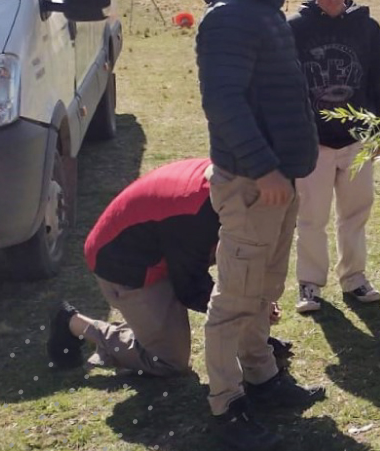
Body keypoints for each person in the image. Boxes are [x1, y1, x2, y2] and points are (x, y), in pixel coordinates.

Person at [195, 0, 326, 451]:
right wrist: (264, 168)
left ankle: (262, 377)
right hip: (253, 183)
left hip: (279, 181)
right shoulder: (230, 17)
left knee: (264, 289)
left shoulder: (266, 11)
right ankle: (226, 405)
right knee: (235, 297)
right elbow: (222, 102)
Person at [46, 157, 293, 376]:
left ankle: (150, 328)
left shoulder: (229, 179)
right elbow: (191, 287)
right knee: (169, 360)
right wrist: (248, 312)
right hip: (123, 264)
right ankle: (75, 324)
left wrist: (254, 317)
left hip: (163, 249)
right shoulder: (194, 216)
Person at [288, 0, 380, 314]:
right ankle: (310, 284)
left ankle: (354, 276)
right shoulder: (295, 30)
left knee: (355, 212)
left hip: (357, 138)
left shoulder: (367, 28)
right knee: (311, 216)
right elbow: (285, 87)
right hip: (312, 142)